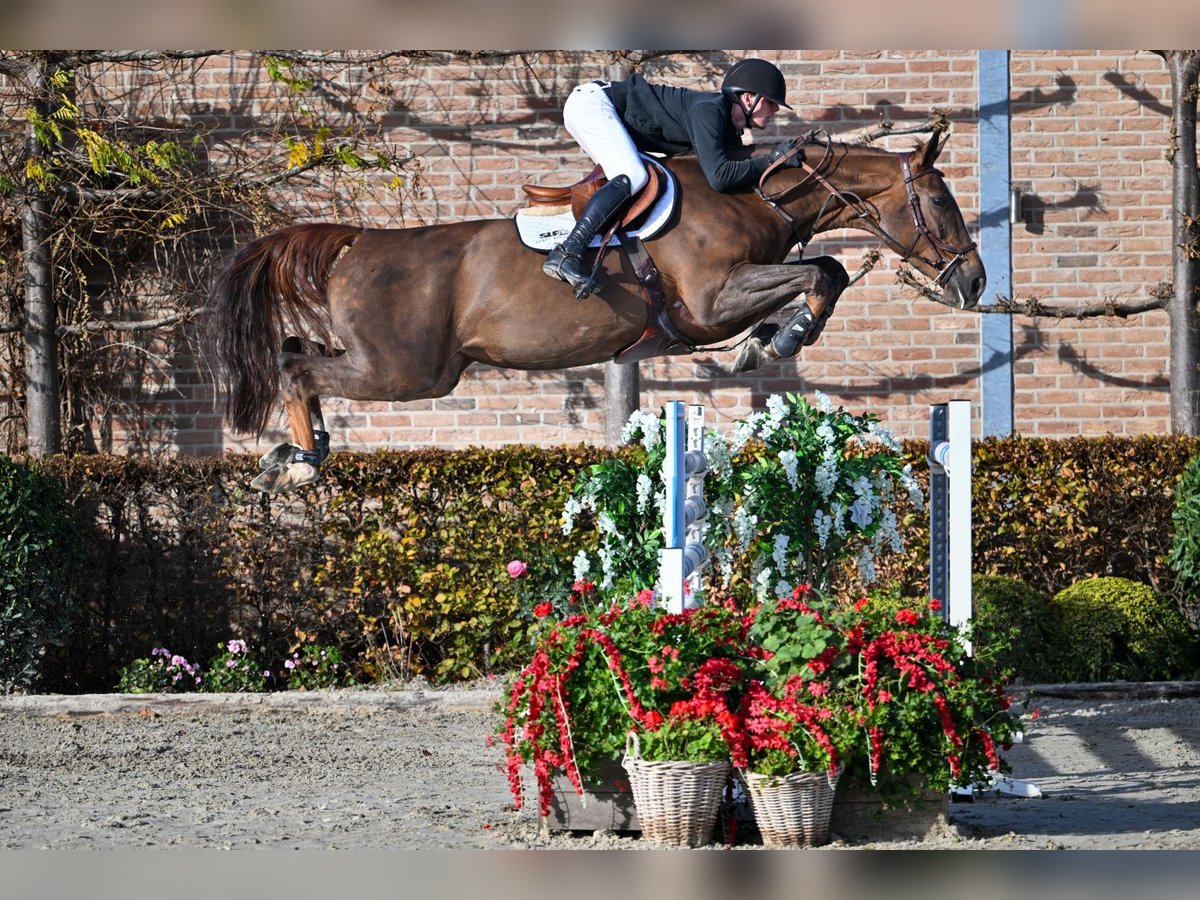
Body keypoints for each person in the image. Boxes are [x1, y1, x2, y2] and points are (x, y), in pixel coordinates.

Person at [543, 57, 805, 300]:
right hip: (594, 105)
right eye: (771, 102)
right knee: (633, 175)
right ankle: (567, 253)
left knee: (645, 181)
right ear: (748, 99)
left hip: (608, 112)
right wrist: (773, 160)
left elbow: (731, 174)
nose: (775, 110)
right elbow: (720, 177)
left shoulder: (726, 129)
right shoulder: (709, 111)